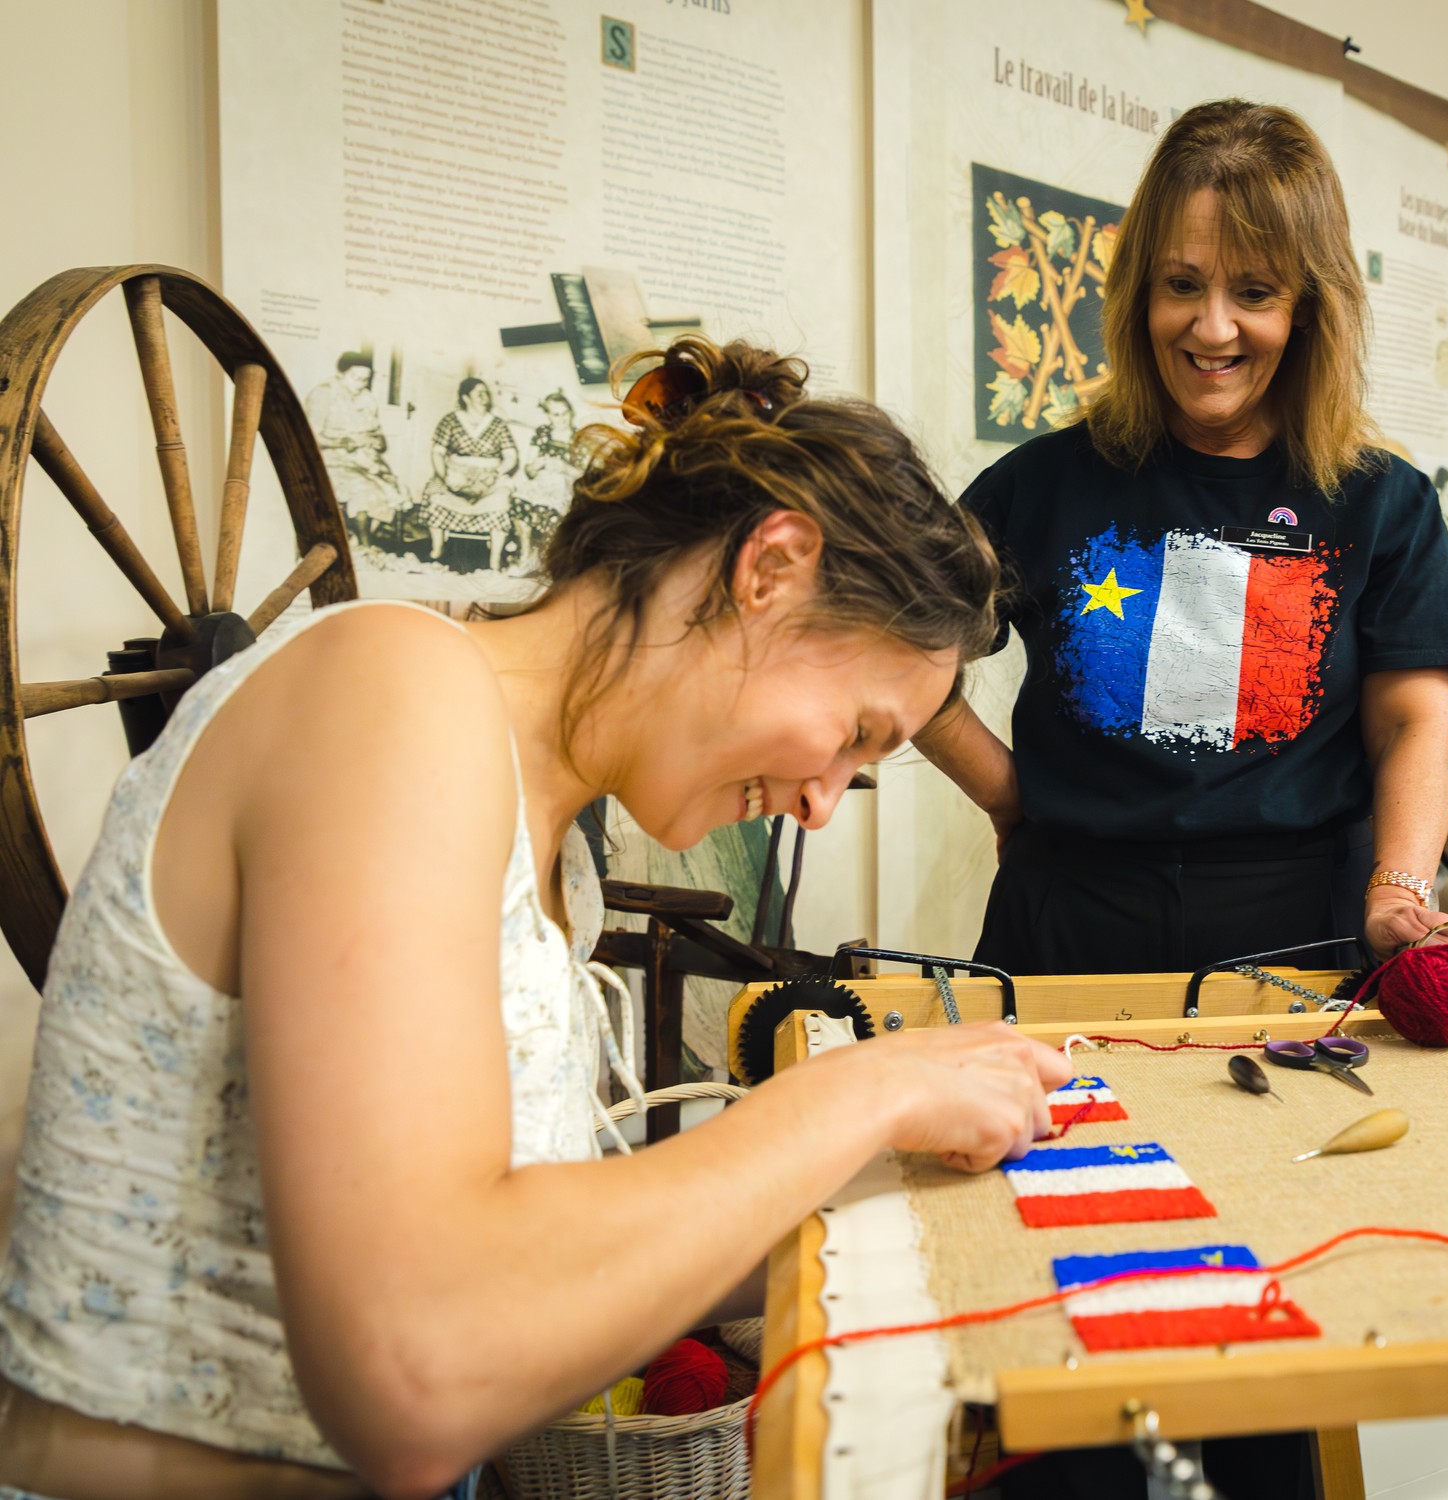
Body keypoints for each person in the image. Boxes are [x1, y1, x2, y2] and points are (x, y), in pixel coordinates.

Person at [0, 337, 1070, 1500]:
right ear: (771, 569)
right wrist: (860, 1092)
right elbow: (415, 1371)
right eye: (857, 733)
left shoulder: (557, 855)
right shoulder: (389, 689)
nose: (821, 804)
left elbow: (538, 1263)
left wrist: (892, 1189)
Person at [920, 99, 1448, 993]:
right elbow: (894, 644)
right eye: (1182, 284)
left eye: (1255, 293)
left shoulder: (1384, 501)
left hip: (1307, 924)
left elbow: (1410, 719)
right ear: (1139, 291)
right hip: (1070, 920)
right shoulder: (1040, 483)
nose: (1213, 328)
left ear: (1310, 307)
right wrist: (1003, 791)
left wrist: (1398, 888)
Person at [303, 351, 407, 552]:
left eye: (365, 380)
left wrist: (378, 442)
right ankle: (362, 544)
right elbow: (310, 437)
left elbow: (379, 437)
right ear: (341, 373)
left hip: (363, 460)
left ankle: (357, 542)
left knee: (393, 491)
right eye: (355, 378)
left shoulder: (367, 399)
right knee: (364, 491)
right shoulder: (323, 394)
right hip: (329, 459)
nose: (360, 384)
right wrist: (343, 442)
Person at [417, 377, 519, 572]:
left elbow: (511, 456)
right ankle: (437, 548)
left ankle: (494, 559)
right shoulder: (450, 420)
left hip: (489, 476)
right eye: (478, 393)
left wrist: (496, 473)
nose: (484, 397)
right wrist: (444, 475)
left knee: (502, 499)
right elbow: (437, 452)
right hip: (456, 473)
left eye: (485, 393)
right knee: (435, 492)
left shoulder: (497, 424)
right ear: (465, 398)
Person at [510, 389, 582, 571]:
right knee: (518, 503)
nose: (562, 418)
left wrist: (565, 468)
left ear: (571, 412)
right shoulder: (542, 433)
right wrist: (535, 466)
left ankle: (548, 560)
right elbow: (529, 470)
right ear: (548, 415)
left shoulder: (578, 436)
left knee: (549, 512)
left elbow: (584, 474)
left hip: (564, 485)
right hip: (540, 484)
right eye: (556, 414)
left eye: (565, 413)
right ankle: (526, 556)